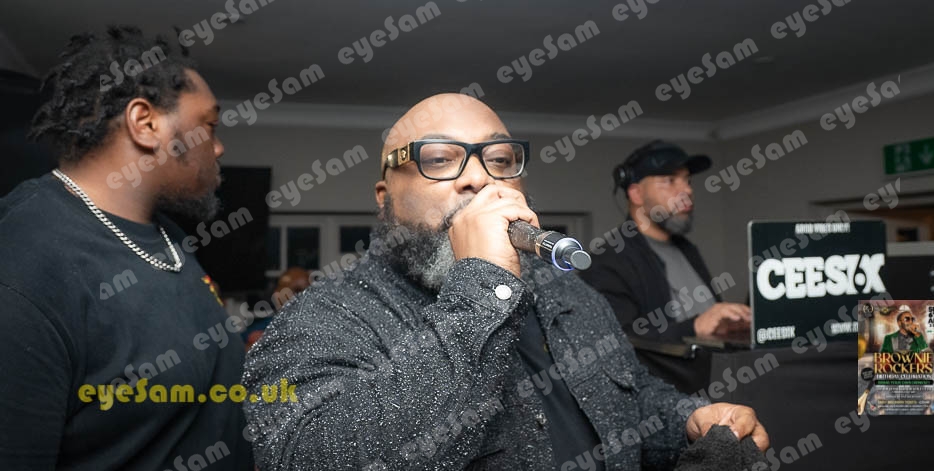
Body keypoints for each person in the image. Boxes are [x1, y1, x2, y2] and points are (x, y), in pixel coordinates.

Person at [242, 94, 768, 469]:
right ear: (385, 198)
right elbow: (310, 455)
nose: (479, 177)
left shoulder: (567, 290)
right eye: (440, 159)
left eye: (498, 159)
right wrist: (484, 287)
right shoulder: (321, 318)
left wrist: (688, 419)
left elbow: (628, 399)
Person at [0, 26, 251, 469]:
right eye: (209, 125)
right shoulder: (23, 265)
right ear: (146, 124)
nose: (218, 146)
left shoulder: (166, 235)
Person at [579, 141, 751, 346]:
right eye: (670, 180)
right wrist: (694, 327)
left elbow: (709, 322)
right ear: (636, 194)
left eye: (688, 180)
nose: (687, 190)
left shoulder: (687, 250)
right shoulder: (607, 261)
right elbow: (616, 343)